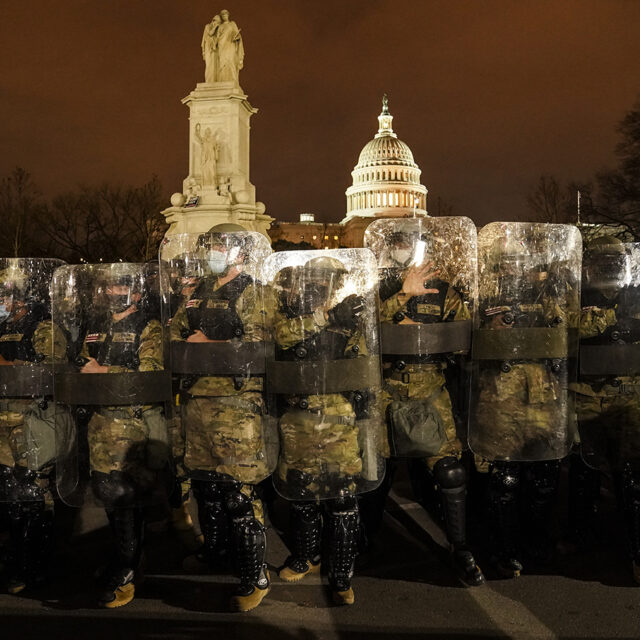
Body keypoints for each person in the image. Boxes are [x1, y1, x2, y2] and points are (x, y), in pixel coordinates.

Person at [362, 222, 484, 586]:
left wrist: (417, 329)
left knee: (450, 471)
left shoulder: (446, 293)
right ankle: (364, 540)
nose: (401, 248)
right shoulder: (379, 288)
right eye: (396, 242)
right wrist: (402, 297)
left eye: (407, 242)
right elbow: (364, 329)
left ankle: (460, 547)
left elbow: (462, 338)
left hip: (430, 391)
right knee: (376, 472)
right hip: (386, 391)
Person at [169, 225, 273, 612]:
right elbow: (175, 333)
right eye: (210, 246)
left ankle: (254, 575)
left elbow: (257, 348)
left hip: (235, 404)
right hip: (197, 400)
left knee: (238, 492)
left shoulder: (254, 291)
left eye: (218, 246)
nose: (212, 252)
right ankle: (216, 554)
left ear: (239, 253)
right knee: (207, 488)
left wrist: (206, 344)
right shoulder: (198, 292)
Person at [269, 253, 382, 606]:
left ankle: (342, 573)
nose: (320, 286)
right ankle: (307, 556)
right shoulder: (290, 315)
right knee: (302, 494)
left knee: (342, 498)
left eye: (327, 281)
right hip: (299, 421)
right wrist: (327, 316)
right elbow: (282, 338)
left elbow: (366, 362)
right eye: (314, 280)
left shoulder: (353, 319)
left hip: (339, 422)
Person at [469, 224, 581, 577]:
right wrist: (492, 331)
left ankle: (538, 543)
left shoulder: (548, 294)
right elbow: (465, 340)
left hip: (543, 396)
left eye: (520, 262)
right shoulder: (482, 297)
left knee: (545, 474)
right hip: (501, 399)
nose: (514, 269)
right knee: (505, 477)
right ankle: (505, 549)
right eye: (506, 264)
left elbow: (570, 328)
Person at [57, 263, 170, 608]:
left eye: (122, 289)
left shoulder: (148, 327)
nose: (114, 294)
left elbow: (150, 372)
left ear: (136, 293)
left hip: (131, 426)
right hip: (100, 425)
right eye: (110, 289)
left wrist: (103, 370)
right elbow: (83, 362)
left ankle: (127, 570)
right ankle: (129, 560)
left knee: (126, 498)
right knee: (109, 497)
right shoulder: (98, 326)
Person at [573, 236, 640, 583]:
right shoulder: (577, 296)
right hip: (584, 394)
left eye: (614, 262)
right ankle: (580, 540)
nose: (608, 268)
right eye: (601, 262)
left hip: (628, 393)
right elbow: (570, 329)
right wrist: (612, 319)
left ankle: (635, 550)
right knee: (583, 472)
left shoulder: (635, 295)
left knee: (629, 474)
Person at [0, 260, 66, 594]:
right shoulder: (2, 325)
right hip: (3, 422)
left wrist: (10, 365)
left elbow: (54, 369)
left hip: (31, 421)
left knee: (33, 495)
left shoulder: (43, 326)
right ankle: (15, 562)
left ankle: (36, 568)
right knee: (9, 499)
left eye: (5, 294)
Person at [217, 10, 244, 84]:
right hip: (222, 46)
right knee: (222, 63)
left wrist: (237, 38)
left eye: (225, 14)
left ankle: (233, 80)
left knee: (231, 61)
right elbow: (217, 37)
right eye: (222, 15)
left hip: (230, 45)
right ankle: (222, 81)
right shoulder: (220, 26)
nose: (224, 16)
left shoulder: (232, 24)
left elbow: (237, 35)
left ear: (228, 15)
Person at [201, 14, 221, 83]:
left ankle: (215, 81)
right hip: (208, 48)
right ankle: (209, 81)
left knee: (215, 66)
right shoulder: (208, 26)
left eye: (218, 22)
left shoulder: (218, 29)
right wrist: (215, 27)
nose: (216, 23)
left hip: (215, 49)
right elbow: (210, 33)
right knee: (209, 65)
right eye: (215, 21)